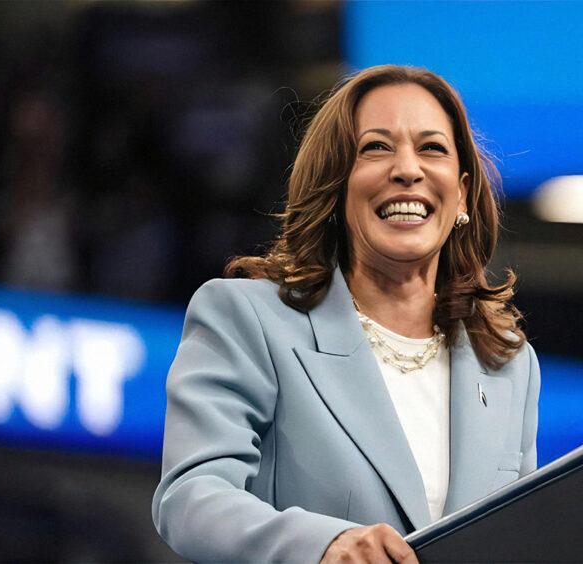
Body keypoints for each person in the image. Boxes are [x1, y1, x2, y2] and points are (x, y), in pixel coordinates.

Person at [152, 65, 540, 563]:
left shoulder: (509, 363)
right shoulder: (249, 318)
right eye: (376, 147)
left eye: (432, 148)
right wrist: (322, 546)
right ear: (336, 185)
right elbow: (190, 498)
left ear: (462, 191)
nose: (407, 169)